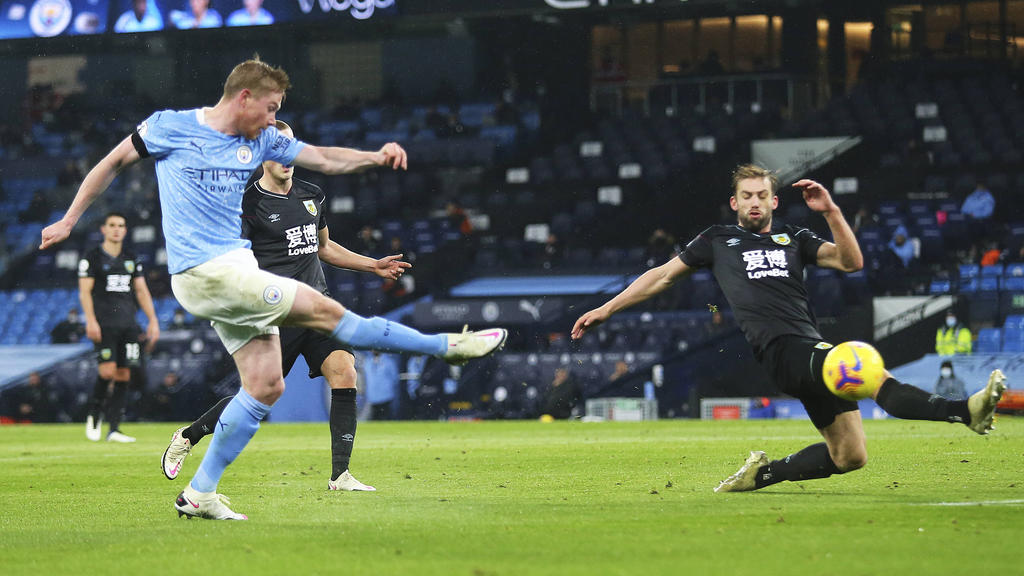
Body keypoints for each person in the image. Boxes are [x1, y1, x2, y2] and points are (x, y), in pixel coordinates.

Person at [40, 57, 506, 520]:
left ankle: (200, 493)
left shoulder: (263, 140)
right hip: (207, 270)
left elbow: (321, 157)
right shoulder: (170, 127)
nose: (272, 120)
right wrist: (69, 218)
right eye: (270, 107)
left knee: (264, 385)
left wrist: (375, 156)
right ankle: (447, 347)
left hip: (235, 272)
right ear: (244, 98)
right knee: (331, 315)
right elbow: (112, 162)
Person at [571, 164, 1006, 494]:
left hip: (809, 349)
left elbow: (851, 262)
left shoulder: (794, 238)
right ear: (735, 203)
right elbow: (662, 276)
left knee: (850, 456)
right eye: (748, 195)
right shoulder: (718, 240)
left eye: (763, 194)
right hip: (783, 351)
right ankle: (962, 411)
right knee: (869, 371)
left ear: (775, 202)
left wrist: (832, 211)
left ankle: (763, 474)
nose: (756, 201)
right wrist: (609, 307)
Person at [162, 121, 410, 492]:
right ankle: (190, 434)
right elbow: (232, 260)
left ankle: (340, 475)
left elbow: (324, 247)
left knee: (345, 371)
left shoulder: (312, 195)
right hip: (274, 314)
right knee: (257, 396)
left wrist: (372, 265)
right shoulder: (249, 205)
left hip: (317, 307)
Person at [79, 212, 160, 443]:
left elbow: (142, 290)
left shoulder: (131, 257)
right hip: (104, 324)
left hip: (129, 325)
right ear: (103, 229)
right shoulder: (92, 257)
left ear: (125, 231)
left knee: (124, 374)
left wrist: (152, 319)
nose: (117, 229)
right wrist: (90, 320)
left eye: (121, 225)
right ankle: (95, 413)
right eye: (112, 225)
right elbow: (85, 292)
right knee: (107, 372)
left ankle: (114, 429)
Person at [363, 351, 400, 420]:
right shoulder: (367, 361)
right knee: (375, 419)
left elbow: (395, 378)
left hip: (386, 396)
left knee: (386, 418)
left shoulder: (388, 361)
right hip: (372, 396)